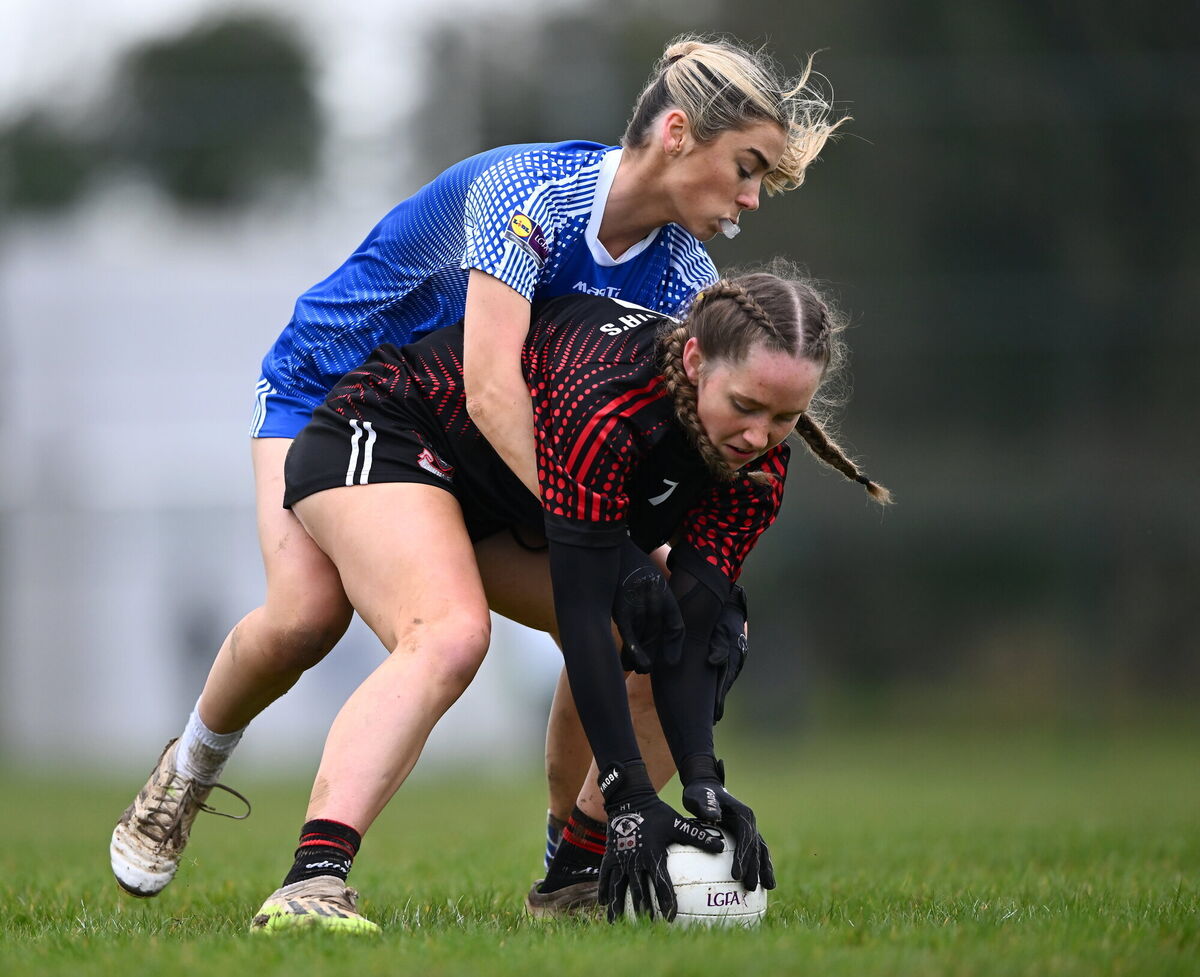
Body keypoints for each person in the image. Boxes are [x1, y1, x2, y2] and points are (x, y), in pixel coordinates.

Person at [109, 34, 846, 901]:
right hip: (340, 397)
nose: (752, 198)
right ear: (678, 133)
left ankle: (570, 866)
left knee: (651, 626)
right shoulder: (530, 193)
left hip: (477, 457)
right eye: (747, 167)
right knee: (311, 616)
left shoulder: (686, 278)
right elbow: (497, 393)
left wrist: (667, 586)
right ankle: (189, 775)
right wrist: (603, 545)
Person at [246, 266, 889, 932]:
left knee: (702, 624)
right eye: (747, 405)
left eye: (785, 416)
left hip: (505, 502)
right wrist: (630, 789)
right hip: (389, 435)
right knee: (451, 633)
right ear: (696, 361)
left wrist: (702, 776)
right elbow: (581, 616)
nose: (760, 435)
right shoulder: (609, 400)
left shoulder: (755, 467)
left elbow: (691, 632)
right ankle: (310, 879)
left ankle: (574, 873)